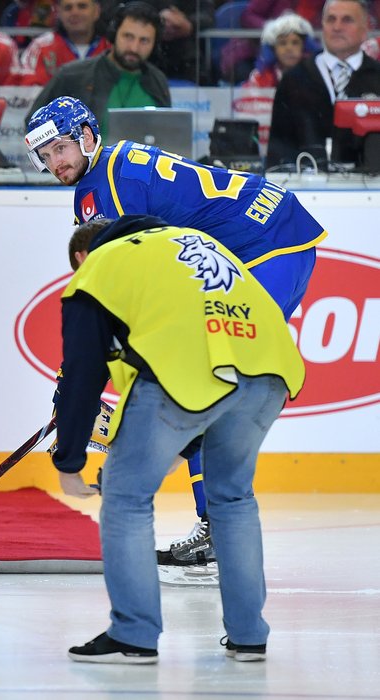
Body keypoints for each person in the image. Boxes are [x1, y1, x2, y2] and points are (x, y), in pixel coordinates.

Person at [24, 95, 327, 574]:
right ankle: (216, 523)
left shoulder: (101, 193)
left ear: (85, 135)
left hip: (265, 247)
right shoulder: (110, 166)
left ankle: (219, 525)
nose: (54, 162)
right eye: (44, 156)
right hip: (268, 231)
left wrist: (77, 377)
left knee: (210, 386)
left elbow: (115, 293)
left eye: (60, 148)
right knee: (201, 386)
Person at [53, 214, 305, 663]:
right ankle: (249, 636)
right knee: (233, 498)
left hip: (189, 377)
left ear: (81, 257)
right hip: (269, 370)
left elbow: (82, 372)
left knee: (126, 496)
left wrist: (69, 461)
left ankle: (134, 634)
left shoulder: (99, 267)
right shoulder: (190, 242)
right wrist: (182, 449)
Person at [27, 2, 170, 141]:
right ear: (114, 34)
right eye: (128, 36)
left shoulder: (158, 81)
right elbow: (34, 123)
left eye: (144, 40)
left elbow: (167, 137)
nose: (134, 48)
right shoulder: (72, 75)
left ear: (154, 44)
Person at [266, 0, 380, 169]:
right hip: (306, 187)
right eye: (331, 19)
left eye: (347, 20)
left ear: (365, 30)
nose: (337, 27)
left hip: (372, 188)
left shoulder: (377, 77)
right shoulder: (294, 78)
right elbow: (279, 146)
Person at [19, 0, 111, 86]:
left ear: (96, 11)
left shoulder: (112, 46)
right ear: (58, 13)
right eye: (68, 8)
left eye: (82, 6)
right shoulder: (40, 48)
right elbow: (30, 93)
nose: (75, 13)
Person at [242, 12, 317, 88]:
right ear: (273, 48)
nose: (289, 48)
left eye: (295, 43)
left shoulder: (316, 75)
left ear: (304, 47)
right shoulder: (259, 77)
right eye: (282, 43)